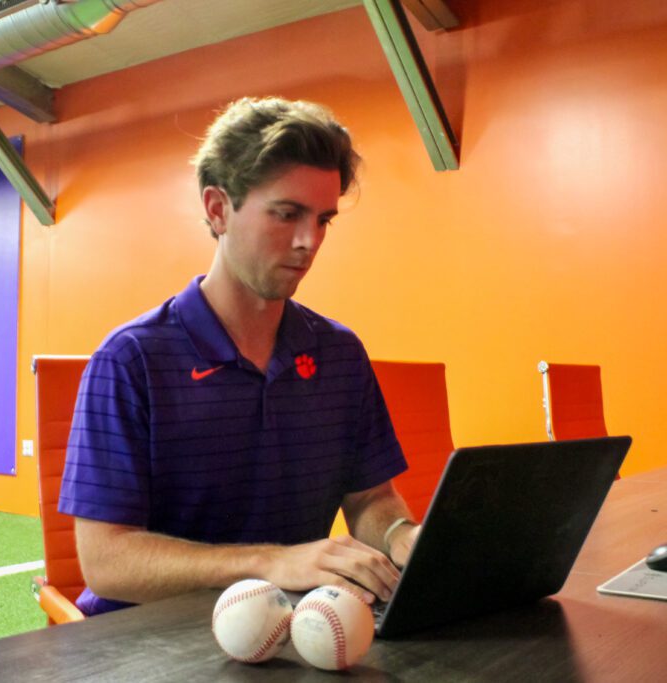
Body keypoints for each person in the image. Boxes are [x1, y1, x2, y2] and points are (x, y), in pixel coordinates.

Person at [58, 97, 421, 617]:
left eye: (324, 220)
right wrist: (269, 563)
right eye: (287, 214)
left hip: (289, 630)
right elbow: (107, 561)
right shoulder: (131, 359)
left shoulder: (341, 354)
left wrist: (400, 535)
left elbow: (369, 499)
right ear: (217, 209)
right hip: (141, 645)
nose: (308, 241)